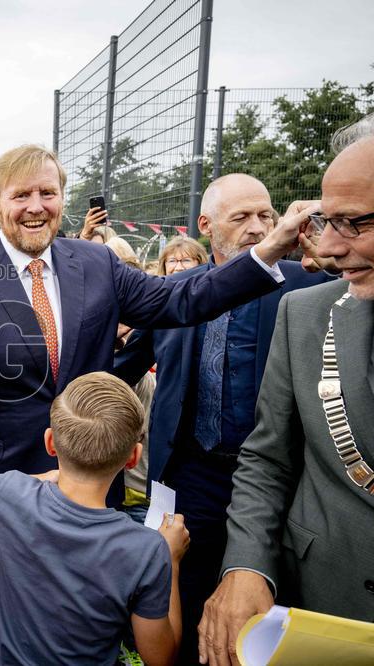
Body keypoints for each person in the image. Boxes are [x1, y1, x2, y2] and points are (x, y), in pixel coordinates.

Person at [0, 144, 306, 666]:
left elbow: (181, 300)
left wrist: (268, 250)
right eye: (20, 194)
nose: (35, 205)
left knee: (88, 619)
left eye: (48, 192)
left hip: (89, 484)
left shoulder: (95, 262)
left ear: (62, 199)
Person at [113, 174, 333, 663]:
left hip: (282, 480)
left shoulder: (311, 285)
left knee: (268, 603)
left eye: (266, 216)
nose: (257, 228)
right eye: (242, 218)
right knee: (184, 596)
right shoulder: (173, 293)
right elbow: (117, 373)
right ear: (206, 225)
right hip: (187, 475)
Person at [196, 137, 374, 666]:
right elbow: (269, 455)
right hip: (326, 607)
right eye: (328, 223)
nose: (333, 248)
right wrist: (247, 564)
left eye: (355, 223)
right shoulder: (307, 313)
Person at [0, 372, 189, 665]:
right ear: (133, 457)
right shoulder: (147, 550)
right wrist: (172, 561)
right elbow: (160, 657)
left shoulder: (8, 493)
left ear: (50, 442)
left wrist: (38, 479)